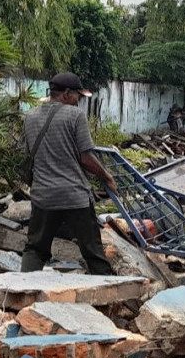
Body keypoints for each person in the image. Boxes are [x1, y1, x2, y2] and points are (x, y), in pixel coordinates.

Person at [22, 72, 117, 274]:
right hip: (74, 196)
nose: (79, 101)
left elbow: (31, 154)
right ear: (66, 93)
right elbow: (86, 158)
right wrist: (107, 177)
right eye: (78, 96)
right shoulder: (75, 116)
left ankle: (21, 291)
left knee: (35, 249)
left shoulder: (30, 116)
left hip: (43, 196)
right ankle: (110, 294)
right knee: (93, 252)